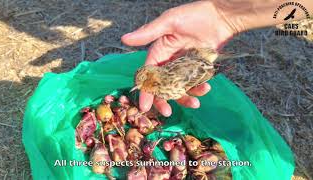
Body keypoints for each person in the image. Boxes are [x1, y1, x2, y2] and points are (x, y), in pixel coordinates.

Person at [121, 0, 313, 117]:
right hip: (197, 59)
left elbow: (196, 73)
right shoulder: (164, 75)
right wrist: (221, 14)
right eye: (139, 85)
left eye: (141, 84)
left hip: (203, 64)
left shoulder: (170, 81)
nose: (139, 88)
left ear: (153, 78)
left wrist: (222, 14)